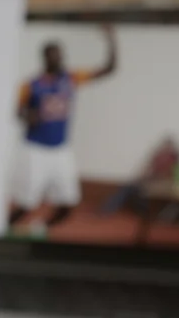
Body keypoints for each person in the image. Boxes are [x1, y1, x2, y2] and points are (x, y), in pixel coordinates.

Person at [10, 25, 119, 236]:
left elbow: (109, 69)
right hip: (35, 150)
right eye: (53, 56)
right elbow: (18, 112)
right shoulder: (31, 85)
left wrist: (111, 40)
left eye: (60, 55)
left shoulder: (70, 79)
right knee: (27, 204)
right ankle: (4, 229)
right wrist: (28, 116)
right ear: (45, 58)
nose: (58, 59)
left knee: (68, 204)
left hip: (61, 150)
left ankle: (40, 230)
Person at [100, 136, 179, 215]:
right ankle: (107, 209)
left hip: (161, 188)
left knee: (131, 189)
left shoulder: (175, 159)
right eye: (165, 146)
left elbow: (173, 178)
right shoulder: (157, 157)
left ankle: (107, 209)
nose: (166, 148)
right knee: (128, 187)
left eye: (168, 147)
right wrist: (143, 178)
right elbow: (147, 171)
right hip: (150, 184)